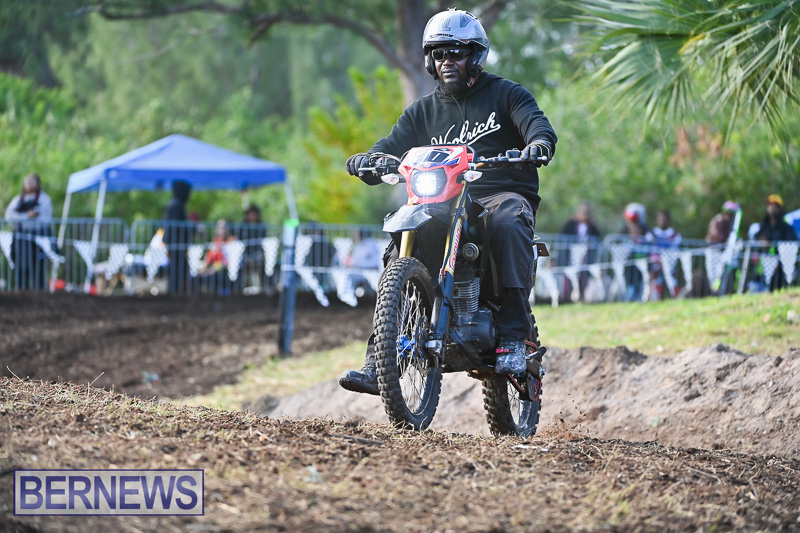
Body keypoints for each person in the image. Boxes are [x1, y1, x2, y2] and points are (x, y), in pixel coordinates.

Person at [339, 9, 557, 394]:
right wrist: (369, 160)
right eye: (439, 54)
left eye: (455, 53)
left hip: (499, 193)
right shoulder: (422, 111)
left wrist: (538, 144)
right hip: (442, 197)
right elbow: (389, 146)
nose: (446, 62)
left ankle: (513, 335)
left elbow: (536, 124)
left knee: (506, 222)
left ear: (475, 56)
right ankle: (380, 359)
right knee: (399, 246)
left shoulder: (507, 94)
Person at [4, 173, 53, 290]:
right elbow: (9, 216)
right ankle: (20, 293)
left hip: (38, 238)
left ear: (38, 184)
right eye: (27, 182)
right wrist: (27, 216)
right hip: (21, 238)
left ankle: (39, 293)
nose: (29, 185)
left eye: (32, 182)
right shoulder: (18, 200)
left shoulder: (44, 199)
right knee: (21, 265)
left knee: (38, 267)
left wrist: (30, 218)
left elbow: (46, 219)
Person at [753, 194, 798, 291]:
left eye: (775, 205)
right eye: (770, 205)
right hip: (765, 261)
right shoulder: (764, 224)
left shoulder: (785, 225)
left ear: (779, 208)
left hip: (780, 264)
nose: (771, 208)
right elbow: (757, 236)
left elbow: (791, 242)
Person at [162, 180, 193, 294]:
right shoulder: (176, 205)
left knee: (180, 269)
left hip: (176, 244)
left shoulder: (174, 203)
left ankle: (177, 291)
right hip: (176, 244)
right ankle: (175, 292)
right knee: (177, 269)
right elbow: (175, 226)